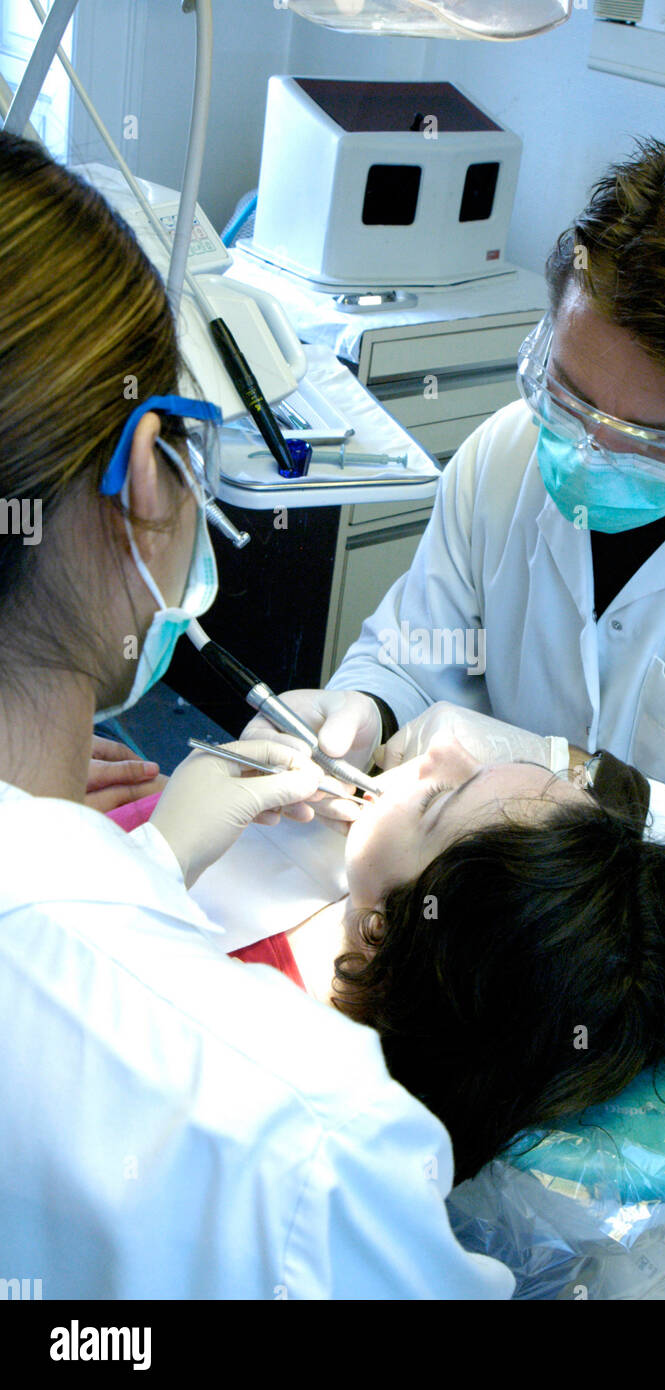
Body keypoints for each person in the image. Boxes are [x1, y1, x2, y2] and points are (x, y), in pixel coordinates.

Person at [244, 139, 665, 1300]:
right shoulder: (505, 460)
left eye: (643, 436)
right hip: (514, 999)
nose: (584, 447)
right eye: (568, 393)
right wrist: (361, 705)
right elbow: (421, 645)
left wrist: (584, 776)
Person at [0, 129, 513, 1299]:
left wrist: (109, 866)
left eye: (463, 794)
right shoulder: (313, 1135)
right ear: (146, 478)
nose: (425, 768)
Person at [210, 741, 665, 1186]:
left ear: (388, 934)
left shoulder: (232, 1056)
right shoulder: (344, 867)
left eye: (438, 800)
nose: (442, 750)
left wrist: (150, 847)